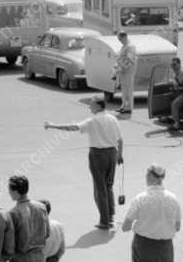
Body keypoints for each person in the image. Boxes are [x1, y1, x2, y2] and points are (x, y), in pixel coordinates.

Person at [45, 96, 124, 230]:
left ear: (99, 106)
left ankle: (105, 221)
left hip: (98, 155)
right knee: (108, 186)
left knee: (100, 189)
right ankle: (110, 216)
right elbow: (120, 140)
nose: (89, 107)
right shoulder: (113, 118)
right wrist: (119, 155)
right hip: (112, 153)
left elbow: (73, 127)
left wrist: (53, 125)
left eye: (91, 104)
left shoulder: (93, 121)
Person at [165, 57, 183, 128]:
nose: (173, 66)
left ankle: (176, 124)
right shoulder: (177, 70)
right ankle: (175, 116)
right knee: (169, 97)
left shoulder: (182, 72)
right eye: (172, 64)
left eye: (174, 64)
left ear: (179, 64)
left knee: (174, 104)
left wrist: (178, 87)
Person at [113, 31, 137, 115]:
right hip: (123, 71)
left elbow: (130, 60)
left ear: (124, 37)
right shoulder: (124, 46)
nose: (119, 41)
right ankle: (123, 106)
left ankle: (128, 108)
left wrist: (122, 69)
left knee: (128, 90)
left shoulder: (130, 46)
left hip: (128, 72)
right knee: (124, 90)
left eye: (120, 39)